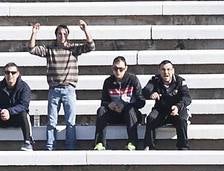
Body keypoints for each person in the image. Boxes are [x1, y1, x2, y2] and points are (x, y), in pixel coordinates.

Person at [27, 20, 93, 151]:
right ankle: (50, 147)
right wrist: (34, 33)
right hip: (54, 89)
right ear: (56, 35)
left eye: (64, 34)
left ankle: (71, 147)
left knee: (70, 121)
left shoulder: (73, 48)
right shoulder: (50, 50)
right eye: (59, 34)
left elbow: (90, 46)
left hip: (69, 89)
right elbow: (31, 48)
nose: (62, 36)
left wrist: (85, 30)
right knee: (51, 122)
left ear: (67, 35)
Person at [93, 56, 142, 151]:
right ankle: (100, 143)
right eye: (115, 69)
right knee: (101, 110)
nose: (118, 71)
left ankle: (132, 142)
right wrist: (109, 105)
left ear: (126, 68)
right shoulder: (108, 81)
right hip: (114, 113)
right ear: (112, 68)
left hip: (130, 115)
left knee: (130, 110)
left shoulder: (133, 80)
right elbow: (103, 102)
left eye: (121, 69)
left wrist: (125, 106)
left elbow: (141, 102)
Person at [140, 59, 189, 150]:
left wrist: (178, 107)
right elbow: (144, 91)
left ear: (173, 70)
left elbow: (187, 98)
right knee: (150, 119)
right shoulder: (155, 79)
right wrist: (151, 94)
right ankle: (150, 146)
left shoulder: (180, 81)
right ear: (159, 71)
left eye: (168, 69)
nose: (166, 72)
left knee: (182, 120)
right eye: (163, 69)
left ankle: (183, 147)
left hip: (176, 109)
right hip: (161, 110)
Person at [0, 63, 34, 150]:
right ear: (4, 74)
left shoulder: (24, 87)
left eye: (13, 72)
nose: (10, 75)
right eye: (7, 72)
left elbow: (24, 105)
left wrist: (9, 111)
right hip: (2, 117)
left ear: (18, 73)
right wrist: (2, 111)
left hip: (17, 118)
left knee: (24, 113)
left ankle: (27, 142)